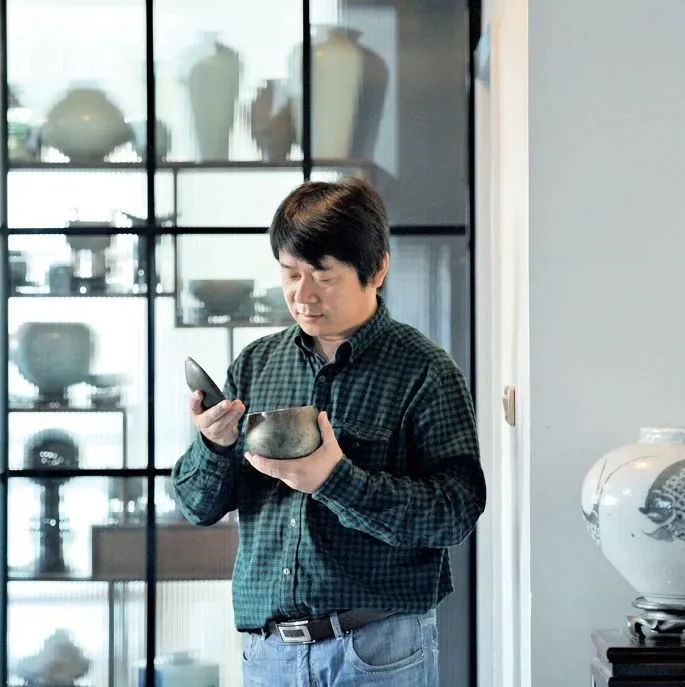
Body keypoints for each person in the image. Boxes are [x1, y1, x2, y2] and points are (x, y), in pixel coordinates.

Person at [171, 177, 486, 687]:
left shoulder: (425, 371)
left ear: (376, 269)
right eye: (290, 274)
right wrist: (214, 445)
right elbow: (195, 506)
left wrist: (334, 479)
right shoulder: (255, 364)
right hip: (270, 654)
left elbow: (455, 512)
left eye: (323, 275)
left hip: (379, 649)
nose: (302, 295)